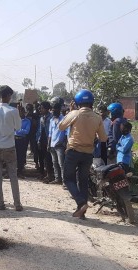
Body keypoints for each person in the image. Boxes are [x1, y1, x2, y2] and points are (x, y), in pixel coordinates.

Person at [58, 90, 107, 220]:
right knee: (83, 181)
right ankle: (82, 214)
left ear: (77, 102)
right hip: (88, 154)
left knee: (68, 179)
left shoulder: (75, 114)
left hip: (73, 151)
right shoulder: (97, 117)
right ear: (91, 102)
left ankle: (81, 203)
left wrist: (70, 111)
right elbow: (103, 138)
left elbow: (61, 127)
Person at [0, 85, 23, 211]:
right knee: (13, 176)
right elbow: (18, 128)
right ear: (8, 96)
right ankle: (17, 204)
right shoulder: (13, 111)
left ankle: (0, 203)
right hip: (10, 146)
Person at [48, 103, 68, 186]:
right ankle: (57, 179)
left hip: (60, 145)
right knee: (54, 163)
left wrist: (66, 144)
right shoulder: (51, 120)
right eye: (52, 109)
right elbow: (50, 133)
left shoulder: (64, 119)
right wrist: (48, 144)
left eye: (54, 109)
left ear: (58, 110)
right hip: (52, 144)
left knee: (61, 164)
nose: (53, 111)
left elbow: (67, 133)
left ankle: (64, 181)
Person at [37, 101, 54, 182]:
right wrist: (38, 140)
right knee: (41, 157)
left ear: (47, 109)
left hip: (49, 139)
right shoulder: (41, 118)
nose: (40, 109)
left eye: (42, 108)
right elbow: (40, 130)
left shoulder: (51, 117)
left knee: (48, 158)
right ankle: (41, 173)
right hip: (42, 140)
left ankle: (49, 175)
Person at [15, 106, 32, 179]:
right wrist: (20, 130)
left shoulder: (27, 121)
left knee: (21, 157)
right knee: (13, 156)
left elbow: (27, 131)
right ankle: (12, 172)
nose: (20, 113)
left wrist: (17, 130)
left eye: (21, 111)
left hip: (22, 140)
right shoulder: (15, 120)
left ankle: (20, 172)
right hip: (14, 139)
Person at [26, 103, 40, 170]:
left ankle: (36, 163)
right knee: (24, 149)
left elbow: (37, 124)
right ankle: (23, 162)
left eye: (30, 109)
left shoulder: (35, 115)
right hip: (26, 134)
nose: (29, 110)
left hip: (33, 134)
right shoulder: (26, 115)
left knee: (35, 150)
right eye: (28, 109)